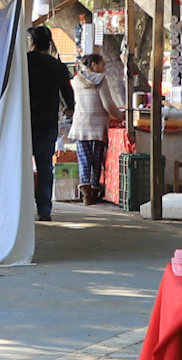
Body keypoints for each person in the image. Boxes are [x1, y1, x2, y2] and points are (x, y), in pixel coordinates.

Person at [26, 26, 72, 221]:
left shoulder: (24, 62)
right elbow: (67, 90)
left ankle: (18, 206)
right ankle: (44, 209)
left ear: (33, 42)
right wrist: (70, 106)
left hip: (24, 121)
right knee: (45, 166)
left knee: (19, 164)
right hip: (47, 122)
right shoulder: (57, 66)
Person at [72, 40, 118, 205]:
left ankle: (86, 192)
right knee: (96, 158)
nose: (104, 68)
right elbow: (108, 104)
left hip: (80, 124)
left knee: (84, 157)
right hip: (98, 125)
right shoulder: (101, 80)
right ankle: (94, 188)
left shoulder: (76, 80)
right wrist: (120, 115)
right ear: (94, 65)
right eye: (102, 65)